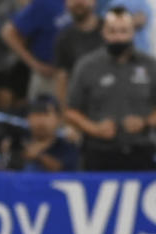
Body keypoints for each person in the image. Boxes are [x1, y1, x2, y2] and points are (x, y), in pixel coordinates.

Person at [65, 6, 156, 170]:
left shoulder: (150, 66)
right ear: (104, 32)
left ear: (132, 33)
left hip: (141, 150)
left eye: (123, 31)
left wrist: (145, 122)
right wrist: (95, 128)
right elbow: (71, 111)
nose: (118, 37)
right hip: (98, 152)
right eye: (112, 31)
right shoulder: (87, 66)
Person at [0, 0, 68, 100]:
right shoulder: (44, 4)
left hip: (74, 73)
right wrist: (35, 64)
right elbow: (8, 32)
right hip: (49, 78)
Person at [0, 95, 79, 171]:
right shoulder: (17, 142)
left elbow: (65, 172)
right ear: (28, 117)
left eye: (46, 114)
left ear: (59, 119)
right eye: (36, 114)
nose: (41, 120)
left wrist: (39, 156)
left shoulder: (67, 146)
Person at [53, 0, 104, 108]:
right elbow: (62, 78)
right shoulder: (64, 38)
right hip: (79, 107)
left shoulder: (110, 30)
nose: (78, 2)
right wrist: (63, 111)